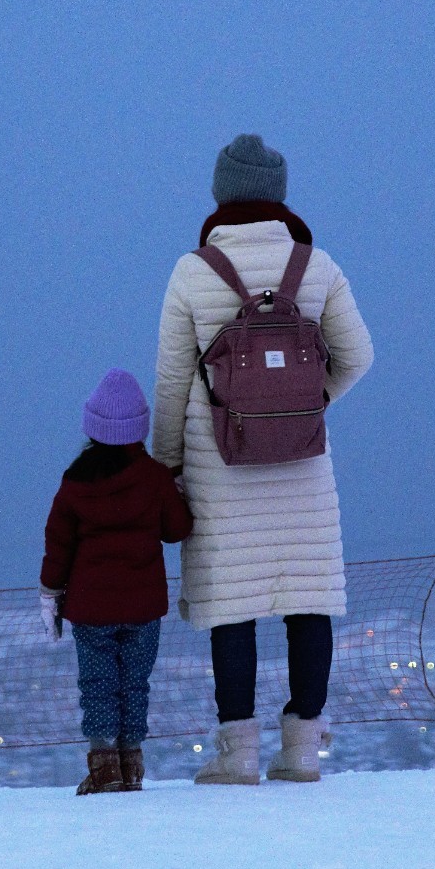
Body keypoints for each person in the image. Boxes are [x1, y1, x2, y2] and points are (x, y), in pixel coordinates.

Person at [151, 133, 375, 785]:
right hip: (303, 464)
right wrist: (307, 401)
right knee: (309, 599)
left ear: (221, 193)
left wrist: (167, 462)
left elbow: (170, 381)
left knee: (233, 605)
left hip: (221, 466)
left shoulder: (194, 271)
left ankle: (238, 754)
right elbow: (359, 355)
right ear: (278, 196)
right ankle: (303, 750)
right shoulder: (317, 266)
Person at [40, 368, 193, 794]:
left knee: (99, 685)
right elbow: (177, 529)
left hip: (91, 612)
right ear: (138, 430)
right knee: (134, 685)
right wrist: (177, 492)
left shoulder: (75, 484)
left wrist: (50, 592)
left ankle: (104, 766)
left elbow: (58, 545)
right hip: (144, 610)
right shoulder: (154, 478)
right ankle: (131, 766)